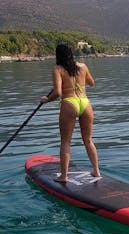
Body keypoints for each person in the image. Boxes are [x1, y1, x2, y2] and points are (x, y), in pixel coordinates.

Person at [40, 44, 100, 183]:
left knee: (65, 142)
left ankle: (63, 176)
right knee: (88, 140)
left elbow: (58, 93)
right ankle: (96, 171)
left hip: (69, 103)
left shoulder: (58, 69)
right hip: (85, 103)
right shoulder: (83, 67)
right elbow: (92, 83)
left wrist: (46, 100)